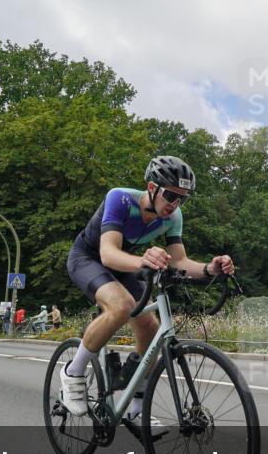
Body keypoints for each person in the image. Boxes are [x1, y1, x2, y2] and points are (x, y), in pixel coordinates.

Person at [61, 155, 235, 425]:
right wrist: (143, 261)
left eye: (182, 199)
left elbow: (180, 262)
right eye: (171, 195)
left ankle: (138, 408)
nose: (175, 204)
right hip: (88, 257)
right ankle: (73, 372)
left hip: (126, 263)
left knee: (151, 327)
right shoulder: (120, 199)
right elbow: (107, 254)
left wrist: (209, 269)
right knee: (121, 306)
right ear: (152, 188)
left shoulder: (173, 216)